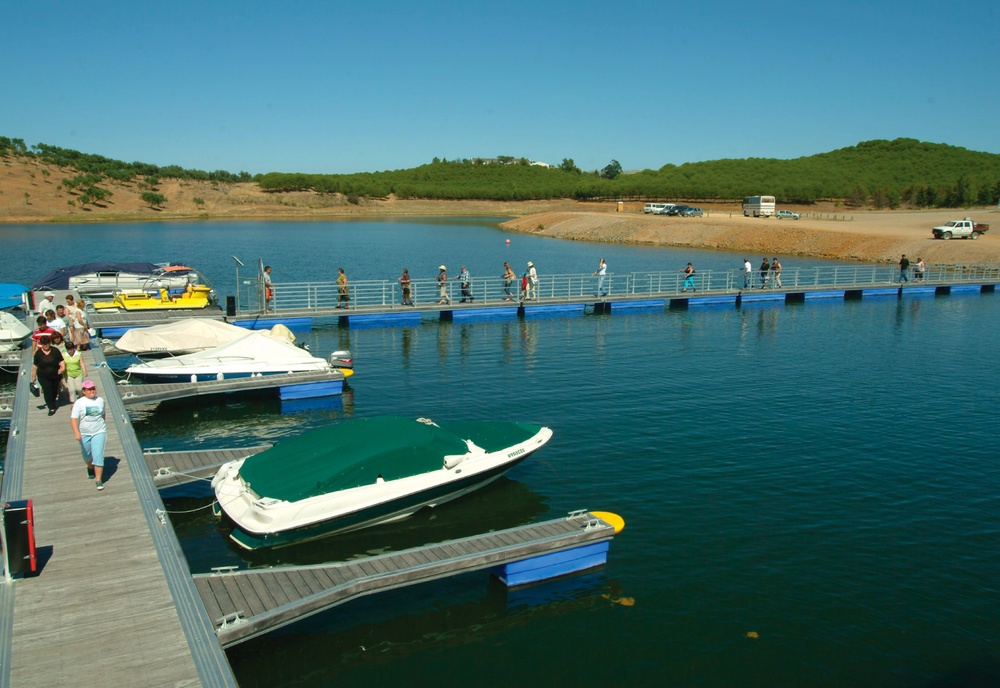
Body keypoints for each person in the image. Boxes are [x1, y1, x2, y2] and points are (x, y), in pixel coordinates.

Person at [71, 380, 107, 490]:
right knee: (87, 455)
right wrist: (77, 432)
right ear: (84, 391)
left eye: (93, 388)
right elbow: (74, 419)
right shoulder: (79, 403)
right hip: (85, 433)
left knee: (98, 455)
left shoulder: (100, 400)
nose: (92, 391)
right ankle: (90, 467)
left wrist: (102, 424)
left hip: (99, 431)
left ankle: (98, 480)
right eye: (89, 389)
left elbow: (103, 414)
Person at [32, 335, 65, 416]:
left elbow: (61, 360)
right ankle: (51, 408)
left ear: (49, 343)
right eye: (44, 344)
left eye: (47, 344)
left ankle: (52, 401)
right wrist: (33, 375)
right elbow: (35, 365)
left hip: (55, 375)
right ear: (41, 344)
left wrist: (62, 368)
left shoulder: (55, 351)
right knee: (47, 390)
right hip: (43, 376)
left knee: (54, 390)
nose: (45, 346)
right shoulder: (38, 353)